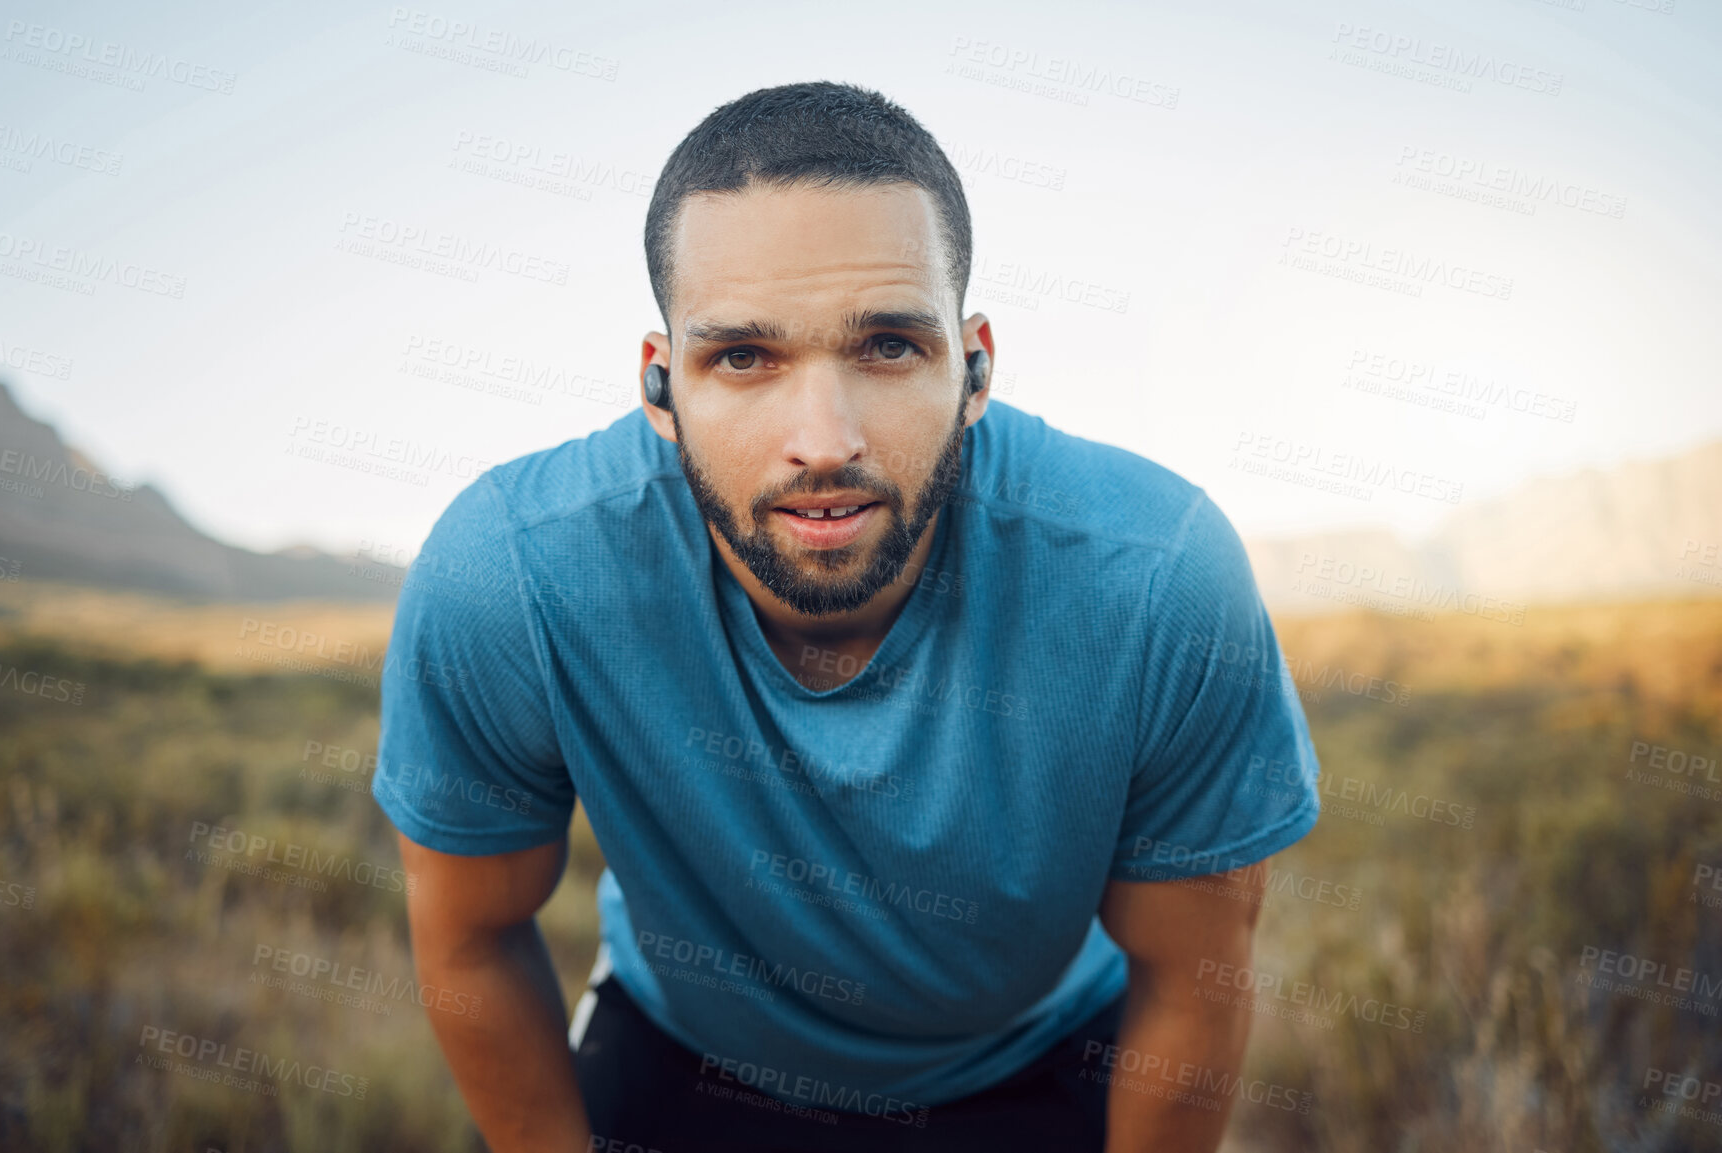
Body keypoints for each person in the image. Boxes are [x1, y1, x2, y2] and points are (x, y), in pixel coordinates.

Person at [372, 80, 1321, 1153]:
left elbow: (1190, 981)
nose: (822, 439)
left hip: (1040, 1056)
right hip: (684, 1055)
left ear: (973, 369)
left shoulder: (1154, 580)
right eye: (743, 356)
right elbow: (470, 935)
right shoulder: (514, 576)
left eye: (884, 347)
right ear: (658, 383)